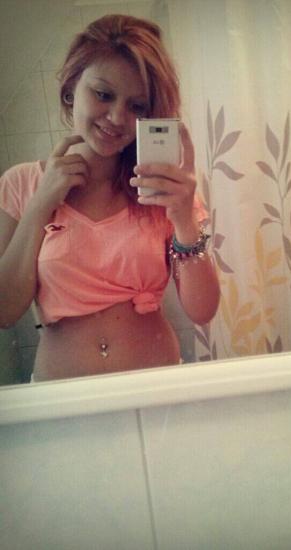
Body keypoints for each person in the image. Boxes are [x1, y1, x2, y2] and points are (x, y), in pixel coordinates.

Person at [0, 14, 220, 382]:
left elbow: (203, 310)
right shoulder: (20, 183)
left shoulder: (163, 189)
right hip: (64, 398)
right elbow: (5, 312)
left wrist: (184, 218)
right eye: (103, 94)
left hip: (158, 385)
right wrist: (40, 205)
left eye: (137, 106)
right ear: (71, 88)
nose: (118, 117)